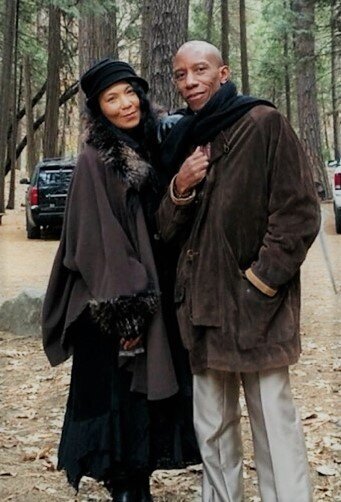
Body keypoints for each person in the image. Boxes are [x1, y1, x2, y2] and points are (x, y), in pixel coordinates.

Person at [157, 41, 321, 502]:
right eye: (180, 74)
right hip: (203, 310)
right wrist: (180, 187)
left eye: (200, 70)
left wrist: (260, 283)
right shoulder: (183, 140)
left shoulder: (265, 123)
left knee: (273, 423)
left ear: (223, 73)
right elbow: (165, 231)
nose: (189, 81)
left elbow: (298, 214)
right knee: (212, 429)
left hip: (258, 311)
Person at [42, 58, 200, 502]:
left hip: (149, 288)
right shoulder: (97, 159)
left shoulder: (153, 143)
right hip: (115, 298)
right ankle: (125, 485)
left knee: (146, 395)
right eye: (112, 99)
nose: (126, 103)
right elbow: (96, 238)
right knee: (121, 394)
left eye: (129, 92)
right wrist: (127, 309)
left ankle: (137, 480)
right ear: (99, 109)